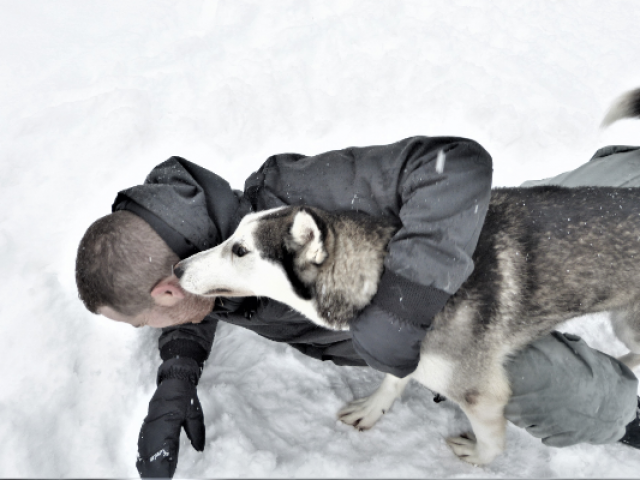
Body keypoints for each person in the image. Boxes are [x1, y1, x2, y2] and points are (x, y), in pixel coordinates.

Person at [75, 137, 640, 478]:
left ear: (166, 293)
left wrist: (401, 311)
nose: (146, 331)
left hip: (458, 279)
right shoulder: (200, 257)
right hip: (436, 302)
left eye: (141, 323)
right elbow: (198, 303)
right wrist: (177, 375)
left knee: (590, 401)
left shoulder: (292, 193)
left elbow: (455, 165)